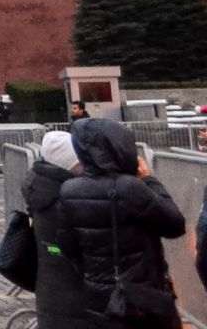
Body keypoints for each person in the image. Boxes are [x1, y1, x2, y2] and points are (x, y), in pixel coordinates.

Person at [57, 117, 186, 324]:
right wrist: (149, 180)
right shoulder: (129, 188)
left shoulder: (69, 190)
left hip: (99, 298)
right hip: (141, 298)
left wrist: (95, 276)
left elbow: (68, 246)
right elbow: (175, 224)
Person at [23, 131, 85, 329]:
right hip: (73, 294)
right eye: (80, 161)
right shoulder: (64, 199)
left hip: (52, 290)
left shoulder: (42, 187)